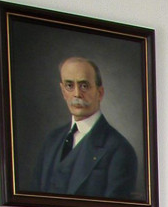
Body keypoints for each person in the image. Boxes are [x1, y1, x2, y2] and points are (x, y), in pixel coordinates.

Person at [32, 56, 139, 199]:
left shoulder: (120, 150)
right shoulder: (51, 141)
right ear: (63, 91)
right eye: (69, 86)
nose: (77, 94)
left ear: (99, 93)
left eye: (84, 86)